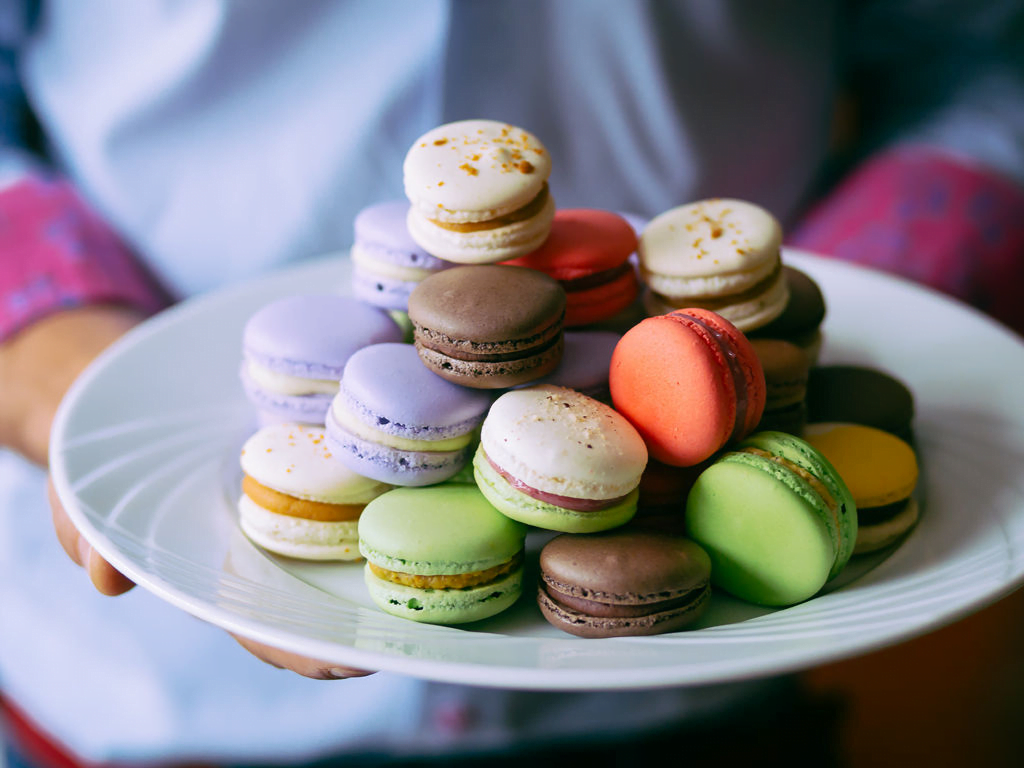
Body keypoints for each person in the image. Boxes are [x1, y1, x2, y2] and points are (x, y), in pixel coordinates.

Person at [2, 1, 1023, 766]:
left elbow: (982, 59)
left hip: (705, 667)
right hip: (153, 699)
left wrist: (816, 336)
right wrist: (75, 375)